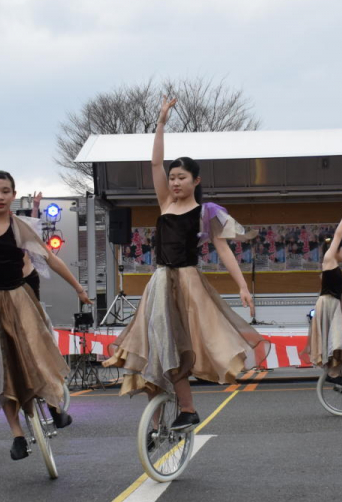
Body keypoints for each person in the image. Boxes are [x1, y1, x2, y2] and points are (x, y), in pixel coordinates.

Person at [104, 97, 268, 430]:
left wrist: (242, 286)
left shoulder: (206, 212)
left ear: (196, 181)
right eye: (173, 177)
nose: (175, 182)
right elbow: (154, 165)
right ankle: (157, 426)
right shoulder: (165, 202)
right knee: (155, 348)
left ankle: (189, 409)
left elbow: (223, 250)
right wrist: (161, 122)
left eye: (181, 177)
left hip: (188, 283)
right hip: (159, 282)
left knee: (174, 345)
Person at [0, 117, 89, 461]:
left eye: (5, 191)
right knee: (0, 369)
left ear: (14, 195)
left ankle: (56, 405)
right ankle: (16, 435)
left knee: (37, 355)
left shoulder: (21, 227)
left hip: (19, 299)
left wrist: (79, 288)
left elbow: (52, 260)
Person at [305, 200, 342, 386]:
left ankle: (336, 371)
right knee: (335, 340)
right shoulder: (328, 260)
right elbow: (338, 234)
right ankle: (333, 373)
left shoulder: (337, 269)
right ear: (335, 249)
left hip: (335, 306)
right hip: (327, 305)